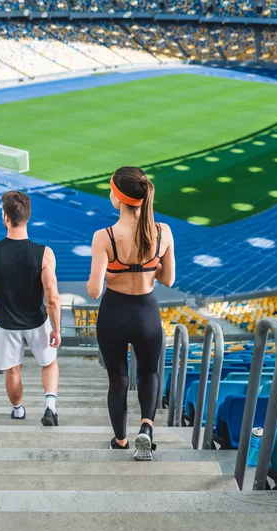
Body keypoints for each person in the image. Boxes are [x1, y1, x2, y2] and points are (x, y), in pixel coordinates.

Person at [87, 167, 175, 460]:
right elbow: (169, 280)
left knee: (119, 380)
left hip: (113, 313)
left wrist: (114, 269)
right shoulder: (162, 232)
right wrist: (147, 265)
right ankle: (146, 430)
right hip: (147, 314)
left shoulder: (104, 236)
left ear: (118, 197)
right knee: (149, 373)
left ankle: (121, 440)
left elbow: (94, 291)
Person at [0, 190, 61, 426]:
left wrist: (3, 297)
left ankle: (18, 410)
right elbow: (52, 297)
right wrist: (57, 329)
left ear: (5, 217)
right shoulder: (44, 253)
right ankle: (50, 408)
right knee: (49, 363)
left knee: (13, 371)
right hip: (37, 319)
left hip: (6, 322)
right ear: (27, 217)